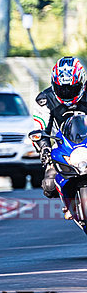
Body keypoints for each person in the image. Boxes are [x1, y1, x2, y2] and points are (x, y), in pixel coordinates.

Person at [36, 57, 87, 201]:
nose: (66, 93)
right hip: (63, 147)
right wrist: (44, 149)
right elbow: (40, 128)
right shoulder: (44, 99)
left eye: (72, 88)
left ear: (82, 84)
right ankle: (68, 206)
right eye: (61, 89)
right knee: (49, 185)